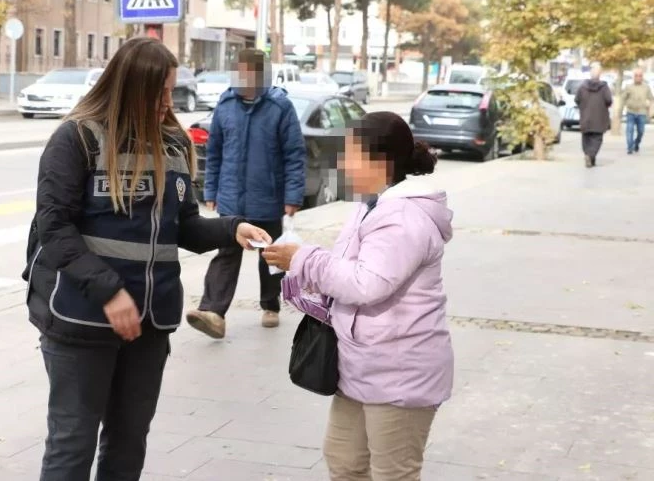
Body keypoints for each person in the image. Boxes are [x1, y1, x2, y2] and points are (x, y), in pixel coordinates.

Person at [22, 37, 272, 481]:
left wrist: (231, 228)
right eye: (156, 93)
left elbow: (186, 226)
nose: (166, 103)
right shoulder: (77, 137)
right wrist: (109, 291)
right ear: (128, 87)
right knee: (72, 443)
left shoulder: (172, 144)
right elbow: (54, 228)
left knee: (128, 442)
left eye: (170, 92)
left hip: (149, 324)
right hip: (81, 322)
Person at [263, 112, 454, 481]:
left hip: (400, 372)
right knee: (344, 460)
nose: (342, 163)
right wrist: (301, 264)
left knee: (392, 474)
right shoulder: (370, 205)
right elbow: (345, 270)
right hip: (361, 365)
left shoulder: (403, 216)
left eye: (350, 154)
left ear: (379, 162)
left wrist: (304, 259)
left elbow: (367, 284)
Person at [185, 48, 306, 339]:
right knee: (226, 253)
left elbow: (294, 154)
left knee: (270, 255)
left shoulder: (280, 108)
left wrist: (292, 196)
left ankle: (270, 305)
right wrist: (210, 188)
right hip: (231, 199)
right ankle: (212, 312)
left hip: (267, 198)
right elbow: (214, 153)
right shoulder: (226, 105)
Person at [575, 64, 613, 168]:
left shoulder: (582, 87)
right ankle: (591, 155)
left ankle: (588, 155)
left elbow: (577, 99)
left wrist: (583, 107)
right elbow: (609, 100)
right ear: (600, 74)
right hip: (599, 118)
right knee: (597, 139)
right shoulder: (604, 88)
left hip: (586, 118)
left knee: (586, 138)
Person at [620, 68, 654, 154]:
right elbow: (623, 99)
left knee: (641, 131)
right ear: (633, 77)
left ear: (642, 77)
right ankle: (629, 147)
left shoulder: (646, 87)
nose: (638, 77)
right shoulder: (629, 87)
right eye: (636, 76)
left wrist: (651, 110)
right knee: (629, 130)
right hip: (631, 112)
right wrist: (620, 110)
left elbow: (651, 99)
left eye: (640, 76)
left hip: (641, 113)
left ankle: (636, 143)